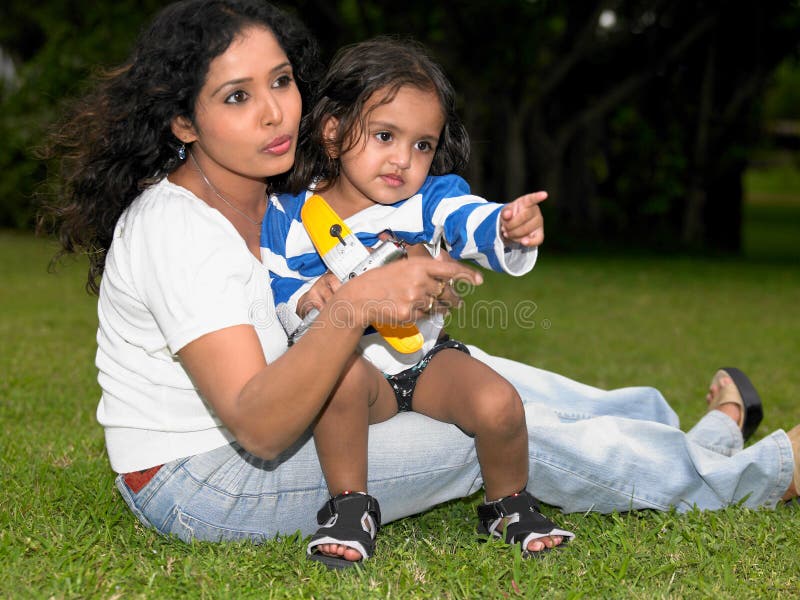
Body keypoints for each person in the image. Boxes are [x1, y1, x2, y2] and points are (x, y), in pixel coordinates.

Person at [40, 0, 799, 572]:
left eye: (280, 81)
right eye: (236, 97)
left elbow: (433, 226)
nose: (275, 111)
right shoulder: (179, 228)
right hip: (205, 478)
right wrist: (364, 304)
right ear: (183, 122)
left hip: (317, 396)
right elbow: (260, 426)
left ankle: (704, 434)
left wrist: (422, 278)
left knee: (501, 382)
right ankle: (761, 473)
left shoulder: (275, 199)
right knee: (493, 430)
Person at [261, 37, 573, 568]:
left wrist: (508, 228)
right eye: (385, 135)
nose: (404, 160)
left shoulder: (430, 200)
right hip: (351, 367)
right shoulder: (291, 213)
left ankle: (507, 503)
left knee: (499, 403)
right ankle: (350, 506)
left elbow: (471, 219)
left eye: (423, 145)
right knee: (338, 382)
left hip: (426, 361)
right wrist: (303, 300)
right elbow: (272, 282)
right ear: (333, 131)